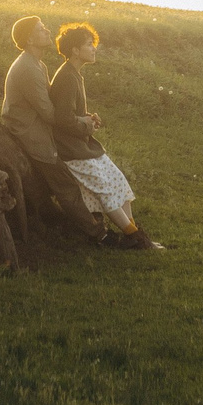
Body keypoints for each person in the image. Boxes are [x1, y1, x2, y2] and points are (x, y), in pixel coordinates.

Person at [49, 22, 159, 249]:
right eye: (88, 45)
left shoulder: (75, 75)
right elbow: (62, 119)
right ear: (75, 50)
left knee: (118, 182)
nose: (94, 49)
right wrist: (87, 126)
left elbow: (71, 114)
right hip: (73, 150)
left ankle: (135, 234)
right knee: (106, 190)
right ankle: (136, 240)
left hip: (83, 146)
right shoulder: (68, 77)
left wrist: (87, 118)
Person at [1, 16, 94, 229]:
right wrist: (84, 123)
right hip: (30, 133)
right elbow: (50, 115)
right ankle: (97, 232)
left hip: (39, 128)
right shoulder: (28, 68)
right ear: (30, 40)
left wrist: (84, 118)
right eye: (41, 29)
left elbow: (53, 106)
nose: (48, 31)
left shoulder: (37, 64)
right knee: (66, 184)